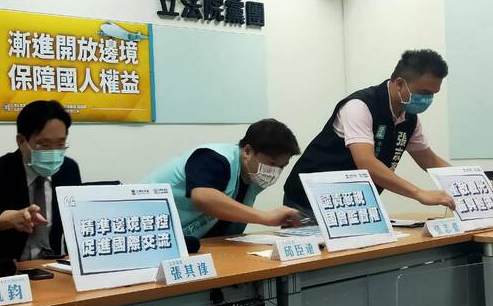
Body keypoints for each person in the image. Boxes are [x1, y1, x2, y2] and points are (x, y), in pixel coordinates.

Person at [284, 49, 455, 215]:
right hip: (310, 200)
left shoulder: (409, 118)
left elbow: (429, 160)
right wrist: (419, 193)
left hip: (352, 204)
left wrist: (465, 179)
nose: (428, 99)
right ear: (399, 83)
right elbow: (366, 163)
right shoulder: (359, 106)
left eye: (433, 94)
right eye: (424, 92)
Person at [143, 119, 302, 238]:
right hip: (147, 228)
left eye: (282, 166)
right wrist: (265, 217)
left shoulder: (253, 179)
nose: (275, 171)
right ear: (247, 151)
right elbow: (204, 198)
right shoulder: (214, 157)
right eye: (272, 163)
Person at [0, 100, 82, 262]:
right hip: (9, 267)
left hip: (52, 265)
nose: (54, 152)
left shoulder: (68, 169)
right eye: (44, 145)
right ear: (21, 141)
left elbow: (76, 222)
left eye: (61, 144)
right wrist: (7, 219)